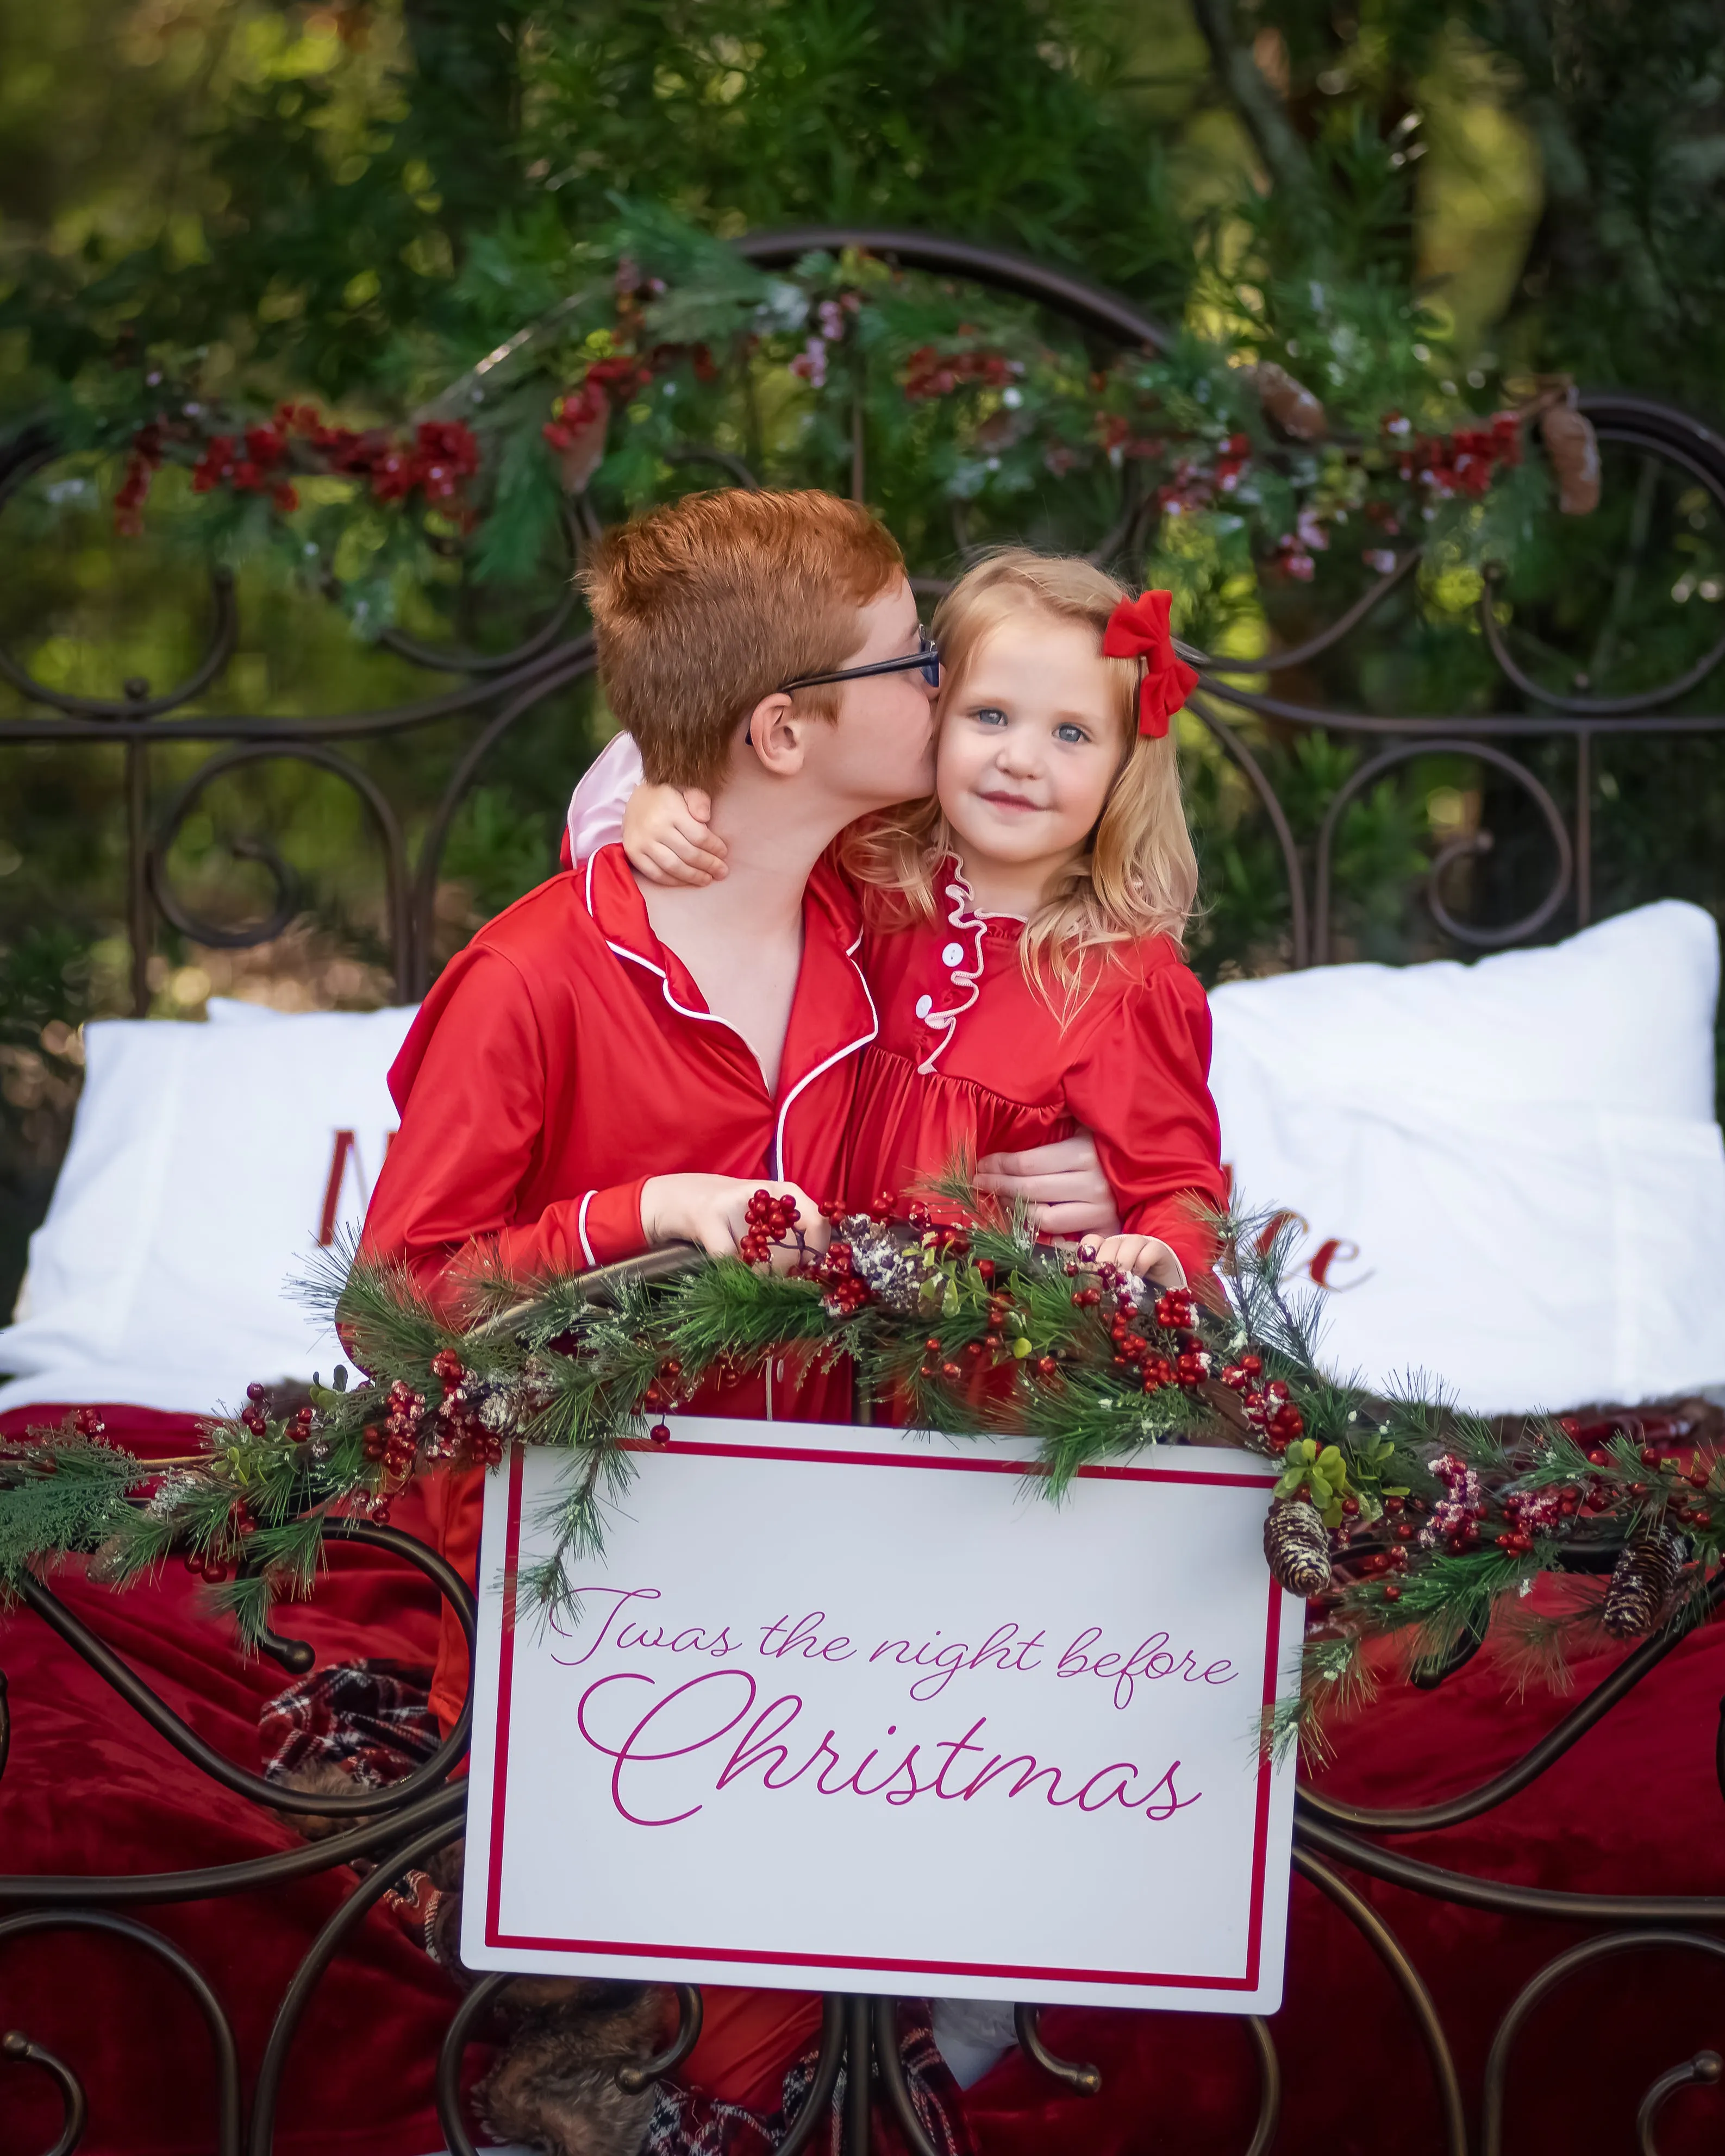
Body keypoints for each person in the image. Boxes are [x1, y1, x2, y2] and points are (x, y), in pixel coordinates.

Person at [358, 492, 1122, 2122]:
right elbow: (392, 1311)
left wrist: (1096, 1191)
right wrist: (631, 1218)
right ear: (785, 729)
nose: (945, 679)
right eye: (911, 658)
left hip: (833, 1577)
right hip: (584, 1603)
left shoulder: (884, 926)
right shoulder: (533, 980)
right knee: (711, 2031)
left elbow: (1067, 1017)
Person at [573, 547, 1228, 1293]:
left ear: (1124, 768)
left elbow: (1180, 1188)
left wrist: (1150, 1243)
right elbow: (695, 824)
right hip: (807, 1344)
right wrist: (654, 800)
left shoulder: (1122, 982)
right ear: (933, 718)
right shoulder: (859, 876)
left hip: (984, 1368)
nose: (1019, 759)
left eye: (1071, 734)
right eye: (989, 715)